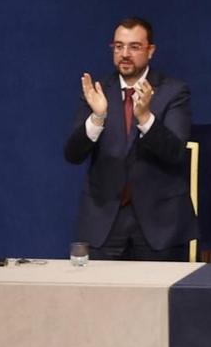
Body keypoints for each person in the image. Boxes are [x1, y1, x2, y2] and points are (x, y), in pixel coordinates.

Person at [63, 16, 195, 260]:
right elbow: (72, 154)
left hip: (160, 224)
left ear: (150, 50)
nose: (125, 53)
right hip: (103, 222)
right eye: (118, 46)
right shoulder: (97, 91)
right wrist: (97, 118)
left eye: (134, 47)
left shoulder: (173, 91)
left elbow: (176, 153)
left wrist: (145, 118)